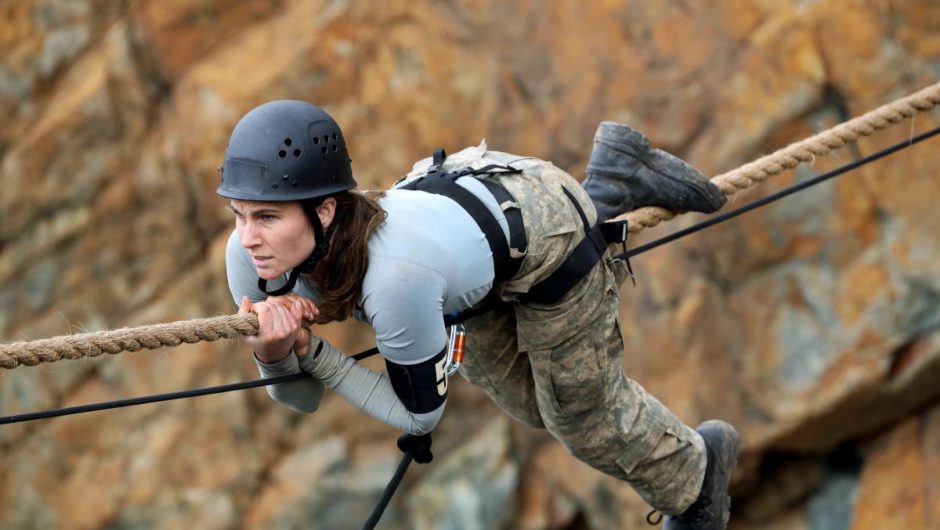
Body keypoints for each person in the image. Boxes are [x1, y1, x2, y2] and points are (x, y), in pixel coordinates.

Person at [220, 100, 741, 530]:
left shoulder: (395, 279)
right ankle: (613, 176)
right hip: (467, 253)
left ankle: (697, 474)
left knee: (577, 415)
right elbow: (301, 399)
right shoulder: (249, 257)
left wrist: (312, 352)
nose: (248, 236)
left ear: (326, 210)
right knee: (531, 406)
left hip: (541, 231)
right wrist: (272, 354)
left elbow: (417, 415)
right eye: (239, 214)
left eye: (267, 216)